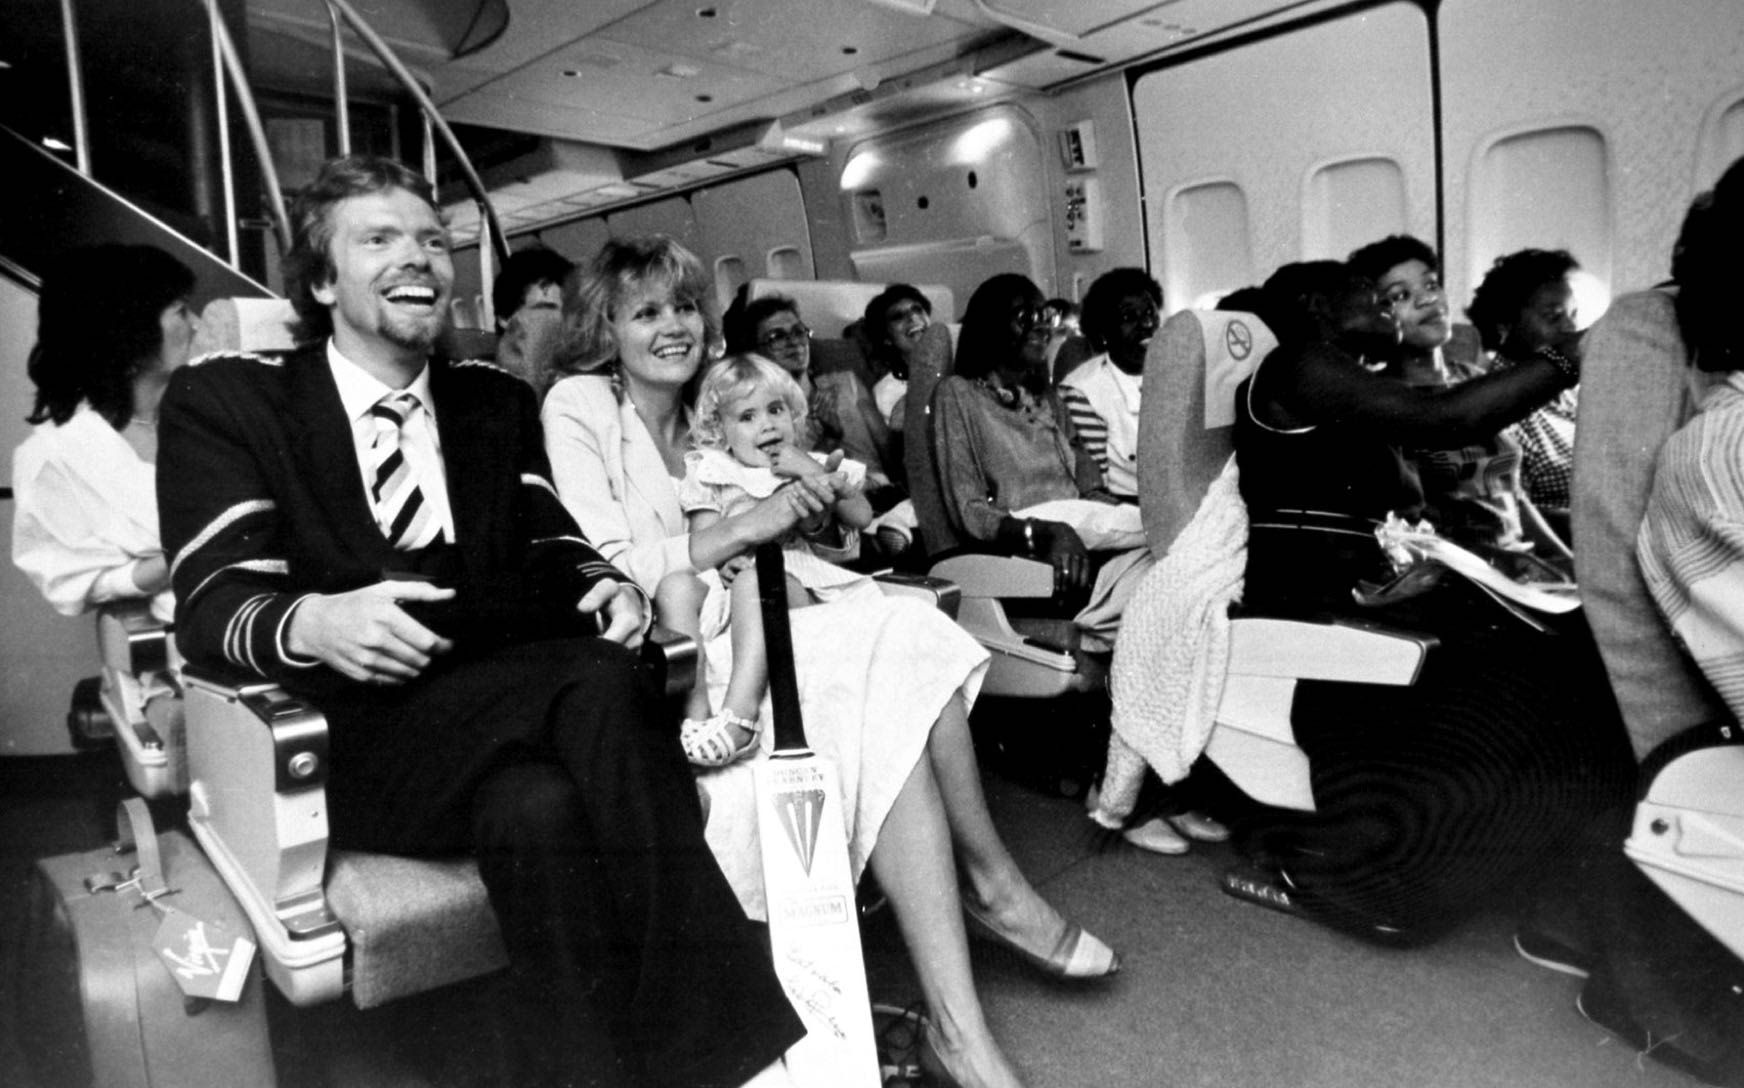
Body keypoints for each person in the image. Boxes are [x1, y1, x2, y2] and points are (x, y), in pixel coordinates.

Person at [156, 156, 804, 1088]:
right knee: (597, 677)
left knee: (538, 811)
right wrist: (311, 620)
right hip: (364, 740)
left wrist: (608, 585)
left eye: (432, 238)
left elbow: (556, 542)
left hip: (506, 719)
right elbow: (213, 599)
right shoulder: (234, 401)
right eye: (377, 238)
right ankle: (719, 1058)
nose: (417, 256)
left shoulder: (491, 401)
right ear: (324, 278)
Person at [543, 235, 1120, 1088]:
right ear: (605, 328)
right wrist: (751, 524)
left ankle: (971, 978)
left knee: (898, 640)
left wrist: (805, 503)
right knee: (889, 640)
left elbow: (832, 516)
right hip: (675, 639)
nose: (675, 327)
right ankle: (989, 908)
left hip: (769, 612)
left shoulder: (728, 395)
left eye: (684, 309)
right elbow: (604, 556)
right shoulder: (580, 406)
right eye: (646, 312)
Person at [1228, 258, 1633, 943]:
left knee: (1574, 645)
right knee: (1539, 671)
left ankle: (1535, 861)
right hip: (1317, 615)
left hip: (1371, 597)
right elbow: (1444, 420)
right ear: (1318, 307)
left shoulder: (1350, 380)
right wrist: (1571, 355)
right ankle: (1372, 873)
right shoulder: (1296, 367)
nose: (1390, 311)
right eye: (1373, 298)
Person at [1579, 157, 1744, 1086]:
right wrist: (1676, 749)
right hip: (1674, 639)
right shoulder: (1645, 335)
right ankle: (1643, 986)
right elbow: (1610, 543)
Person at [930, 273, 1152, 640]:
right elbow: (969, 511)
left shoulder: (1046, 398)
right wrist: (1047, 532)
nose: (1042, 328)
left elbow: (1088, 489)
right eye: (1024, 317)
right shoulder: (958, 396)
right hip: (1022, 546)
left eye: (1044, 315)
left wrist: (1111, 512)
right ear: (991, 327)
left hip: (1078, 534)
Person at [675, 353, 874, 764]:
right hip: (731, 591)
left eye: (776, 410)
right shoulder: (714, 471)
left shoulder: (811, 464)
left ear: (793, 417)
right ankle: (694, 714)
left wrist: (810, 472)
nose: (766, 424)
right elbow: (703, 541)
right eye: (746, 416)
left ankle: (740, 718)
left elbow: (862, 516)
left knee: (756, 578)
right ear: (721, 430)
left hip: (792, 584)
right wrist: (720, 564)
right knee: (675, 586)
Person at [1347, 234, 1568, 565]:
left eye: (1431, 285)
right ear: (1376, 314)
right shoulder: (1382, 399)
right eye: (1401, 295)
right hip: (1456, 571)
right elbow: (1407, 528)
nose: (1427, 300)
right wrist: (1502, 562)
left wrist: (1563, 560)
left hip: (1518, 559)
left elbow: (1514, 496)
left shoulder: (1477, 380)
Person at [13, 244, 196, 624]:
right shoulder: (57, 455)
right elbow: (71, 579)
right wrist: (161, 568)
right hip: (182, 644)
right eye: (180, 310)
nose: (194, 324)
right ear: (130, 332)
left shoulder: (212, 413)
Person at [724, 290, 899, 489]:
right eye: (777, 336)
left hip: (883, 492)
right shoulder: (766, 414)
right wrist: (829, 438)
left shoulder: (846, 383)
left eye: (798, 331)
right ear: (756, 351)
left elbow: (888, 450)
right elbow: (785, 478)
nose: (794, 341)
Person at [1465, 247, 1584, 518]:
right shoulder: (1498, 407)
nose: (1571, 328)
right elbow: (1516, 512)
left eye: (1573, 314)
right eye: (1554, 317)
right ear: (1504, 326)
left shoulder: (1572, 393)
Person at [492, 245, 574, 397]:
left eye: (566, 312)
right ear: (505, 316)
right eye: (547, 310)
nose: (559, 321)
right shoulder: (492, 392)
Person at [860, 282, 933, 434]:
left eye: (917, 310)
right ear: (886, 337)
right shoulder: (887, 392)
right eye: (898, 317)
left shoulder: (959, 366)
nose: (913, 318)